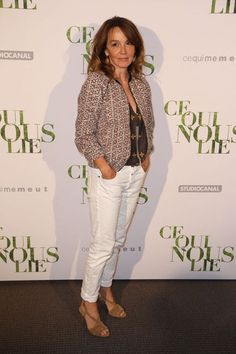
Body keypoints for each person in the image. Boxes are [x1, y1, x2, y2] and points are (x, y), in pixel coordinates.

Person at [75, 16, 154, 337]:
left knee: (118, 240)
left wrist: (146, 155)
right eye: (115, 43)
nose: (123, 50)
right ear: (105, 50)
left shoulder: (141, 83)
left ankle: (106, 290)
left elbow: (147, 124)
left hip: (136, 173)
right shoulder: (96, 82)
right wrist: (105, 166)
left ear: (136, 47)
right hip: (109, 175)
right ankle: (88, 303)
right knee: (103, 243)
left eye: (128, 43)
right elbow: (83, 133)